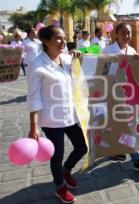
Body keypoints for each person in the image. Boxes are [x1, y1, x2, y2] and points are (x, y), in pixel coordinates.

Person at [27, 25, 87, 203]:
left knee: (82, 147)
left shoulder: (67, 59)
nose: (63, 42)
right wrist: (34, 127)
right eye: (58, 38)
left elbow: (89, 62)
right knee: (57, 155)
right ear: (46, 41)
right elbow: (34, 98)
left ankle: (66, 170)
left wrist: (79, 56)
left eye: (64, 38)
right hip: (51, 119)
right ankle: (59, 186)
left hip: (69, 115)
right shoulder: (37, 65)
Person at [102, 22, 139, 171]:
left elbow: (136, 73)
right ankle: (136, 159)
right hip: (113, 93)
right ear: (116, 34)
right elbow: (103, 72)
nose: (126, 36)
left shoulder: (132, 50)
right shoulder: (108, 50)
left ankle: (116, 151)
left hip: (130, 94)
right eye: (123, 33)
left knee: (123, 124)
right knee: (127, 125)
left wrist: (138, 61)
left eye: (128, 33)